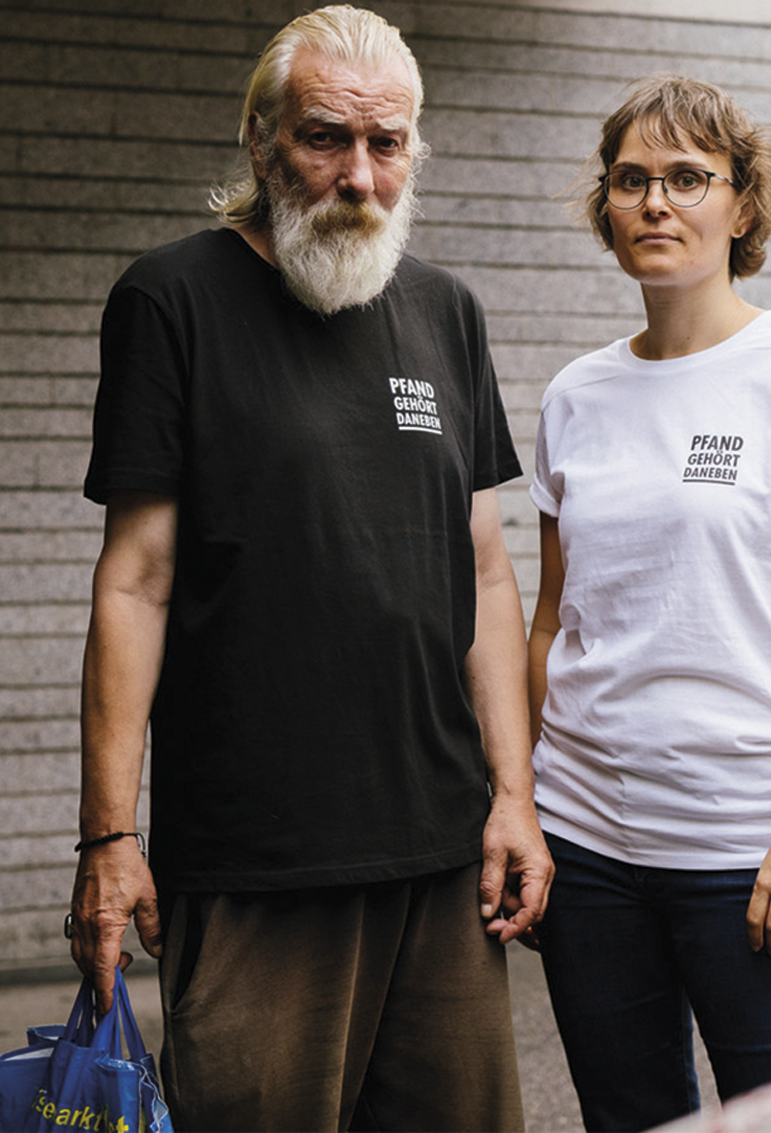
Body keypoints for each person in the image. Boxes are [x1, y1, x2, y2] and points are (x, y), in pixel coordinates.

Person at [70, 7, 549, 1129]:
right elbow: (134, 582)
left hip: (443, 856)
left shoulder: (446, 310)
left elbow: (484, 572)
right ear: (259, 139)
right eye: (325, 137)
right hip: (256, 865)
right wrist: (108, 836)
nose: (358, 176)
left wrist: (514, 797)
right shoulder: (170, 298)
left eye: (386, 144)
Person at [527, 75, 771, 1131]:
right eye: (630, 180)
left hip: (741, 848)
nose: (655, 202)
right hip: (587, 849)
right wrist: (526, 804)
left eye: (687, 177)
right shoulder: (575, 394)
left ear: (743, 205)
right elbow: (550, 620)